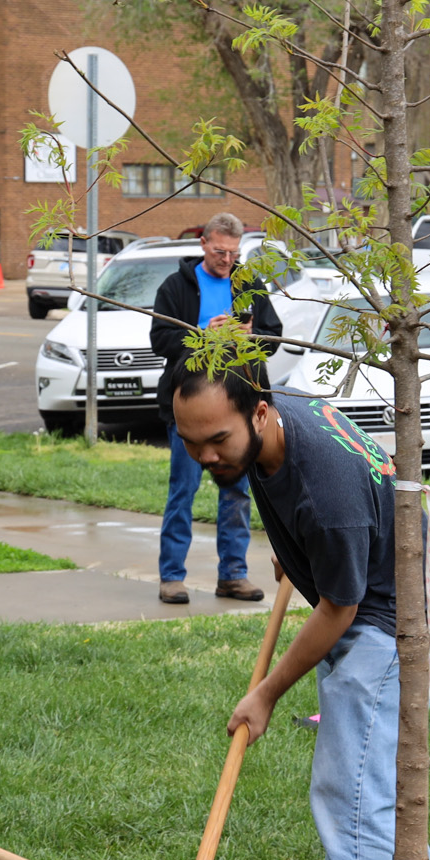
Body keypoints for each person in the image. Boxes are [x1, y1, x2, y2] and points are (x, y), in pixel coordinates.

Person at [172, 367, 430, 860]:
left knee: (348, 787)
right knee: (376, 777)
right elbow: (311, 513)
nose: (204, 456)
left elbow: (339, 609)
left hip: (392, 617)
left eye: (217, 440)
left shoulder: (325, 491)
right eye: (190, 441)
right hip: (375, 588)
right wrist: (295, 548)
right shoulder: (283, 420)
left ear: (258, 412)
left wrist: (267, 694)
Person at [149, 212, 282, 605]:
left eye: (233, 252)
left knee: (238, 493)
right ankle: (172, 577)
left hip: (239, 410)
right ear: (204, 244)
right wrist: (204, 336)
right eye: (220, 251)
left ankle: (233, 576)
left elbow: (273, 337)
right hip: (190, 410)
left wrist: (249, 335)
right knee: (183, 492)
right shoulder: (177, 286)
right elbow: (160, 339)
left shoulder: (248, 285)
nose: (226, 259)